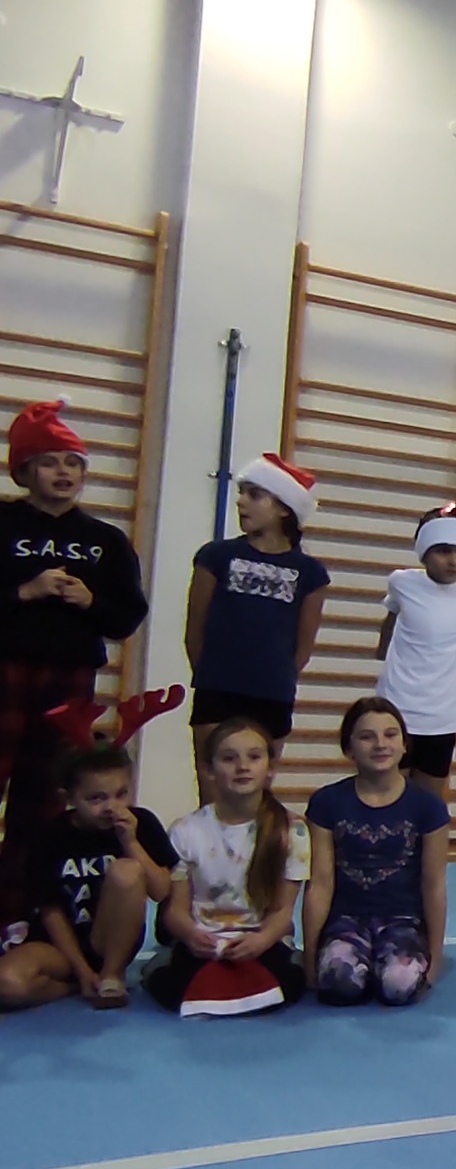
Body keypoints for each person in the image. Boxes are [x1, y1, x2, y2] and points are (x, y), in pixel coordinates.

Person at [0, 400, 149, 934]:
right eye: (49, 461)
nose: (63, 472)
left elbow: (128, 615)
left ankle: (21, 914)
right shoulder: (4, 522)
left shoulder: (106, 541)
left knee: (45, 799)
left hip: (69, 680)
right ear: (25, 470)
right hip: (7, 669)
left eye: (73, 463)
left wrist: (90, 602)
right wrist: (24, 591)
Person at [0, 710, 177, 1010]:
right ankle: (78, 986)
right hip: (59, 946)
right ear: (68, 797)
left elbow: (161, 891)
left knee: (127, 870)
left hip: (110, 941)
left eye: (121, 794)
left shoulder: (142, 823)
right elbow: (51, 911)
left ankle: (111, 975)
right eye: (96, 798)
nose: (112, 806)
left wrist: (130, 842)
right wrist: (81, 971)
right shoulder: (52, 835)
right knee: (7, 982)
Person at [146, 716, 313, 1016]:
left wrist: (261, 940)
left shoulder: (292, 830)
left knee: (284, 987)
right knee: (176, 992)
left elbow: (282, 912)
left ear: (270, 767)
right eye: (229, 758)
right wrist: (190, 935)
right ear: (209, 770)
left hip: (259, 939)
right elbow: (175, 911)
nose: (242, 767)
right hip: (205, 941)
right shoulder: (186, 830)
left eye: (254, 757)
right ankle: (164, 963)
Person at [185, 453, 329, 797]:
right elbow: (195, 627)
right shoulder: (216, 556)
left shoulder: (310, 573)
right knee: (213, 785)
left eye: (254, 494)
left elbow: (304, 644)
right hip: (218, 687)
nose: (241, 501)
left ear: (283, 509)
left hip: (271, 692)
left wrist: (276, 676)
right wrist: (210, 673)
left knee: (254, 790)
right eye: (242, 493)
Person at [304, 697, 450, 1006]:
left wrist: (435, 959)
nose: (380, 744)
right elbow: (320, 882)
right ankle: (357, 960)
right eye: (367, 737)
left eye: (390, 735)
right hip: (346, 919)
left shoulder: (428, 807)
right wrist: (310, 957)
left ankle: (387, 962)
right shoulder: (326, 802)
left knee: (398, 987)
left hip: (403, 920)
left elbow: (434, 884)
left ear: (404, 745)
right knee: (339, 984)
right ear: (349, 748)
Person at [377, 501, 456, 801]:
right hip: (397, 704)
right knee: (389, 796)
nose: (453, 560)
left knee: (429, 803)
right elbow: (392, 614)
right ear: (424, 552)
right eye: (443, 551)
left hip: (441, 713)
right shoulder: (402, 582)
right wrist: (382, 651)